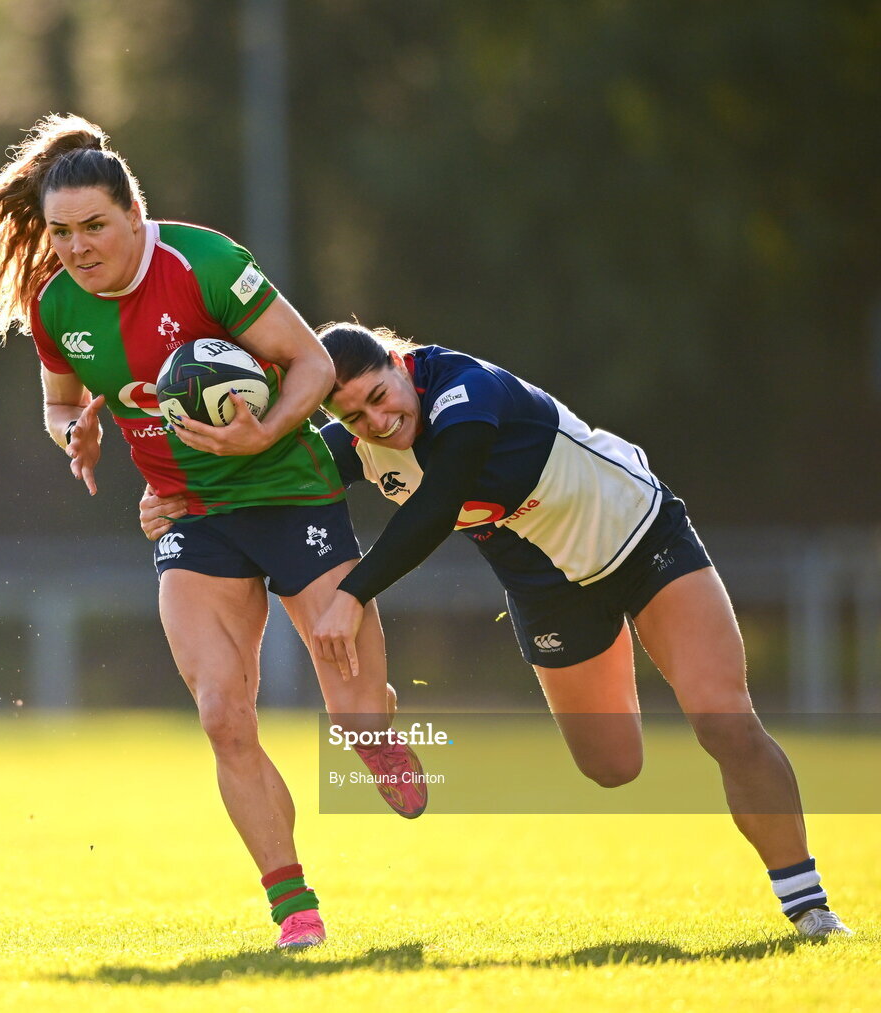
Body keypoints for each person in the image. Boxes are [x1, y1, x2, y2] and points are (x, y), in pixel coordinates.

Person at [0, 115, 426, 952]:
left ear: (133, 213)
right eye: (61, 232)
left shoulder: (207, 265)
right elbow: (58, 398)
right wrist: (73, 426)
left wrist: (261, 436)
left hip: (293, 495)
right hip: (190, 516)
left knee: (355, 713)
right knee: (224, 713)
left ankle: (376, 729)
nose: (76, 248)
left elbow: (314, 365)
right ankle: (294, 908)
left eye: (94, 227)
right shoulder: (58, 308)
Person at [304, 321, 852, 939]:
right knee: (611, 765)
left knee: (723, 718)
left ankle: (809, 906)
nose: (376, 423)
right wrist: (179, 492)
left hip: (641, 540)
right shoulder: (358, 440)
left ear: (400, 363)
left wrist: (353, 594)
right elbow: (273, 478)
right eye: (353, 418)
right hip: (549, 590)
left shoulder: (466, 392)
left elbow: (436, 506)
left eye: (380, 397)